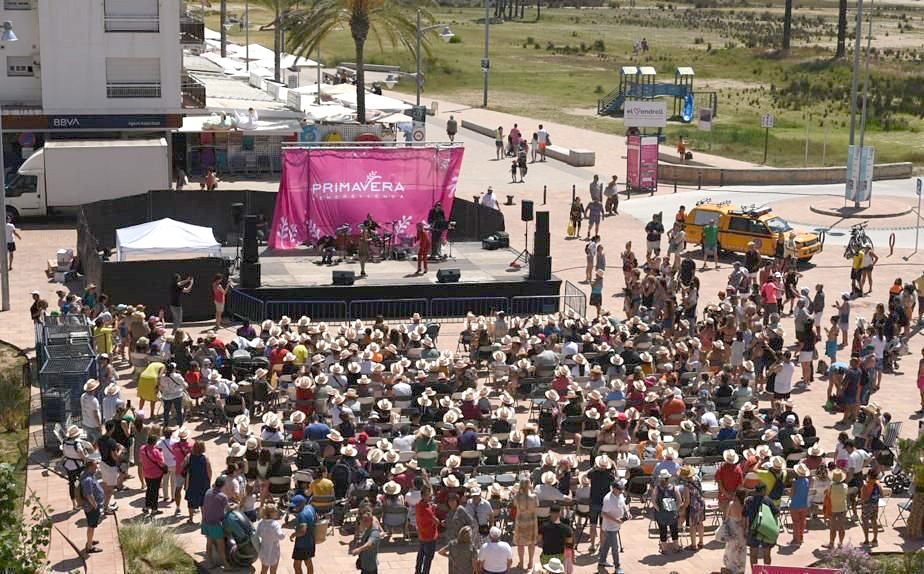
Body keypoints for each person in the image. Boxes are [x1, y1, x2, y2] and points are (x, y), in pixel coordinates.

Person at [744, 483, 778, 567]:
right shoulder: (768, 500)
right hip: (766, 529)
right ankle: (767, 571)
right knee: (766, 554)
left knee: (753, 555)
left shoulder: (749, 501)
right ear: (763, 491)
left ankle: (754, 572)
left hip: (753, 530)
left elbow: (744, 516)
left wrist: (745, 529)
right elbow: (776, 513)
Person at [599, 479, 628, 573]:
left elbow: (623, 504)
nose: (621, 491)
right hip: (609, 526)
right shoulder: (608, 499)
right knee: (615, 547)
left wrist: (627, 512)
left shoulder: (620, 495)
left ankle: (602, 561)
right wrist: (616, 520)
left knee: (607, 544)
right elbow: (604, 513)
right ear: (614, 489)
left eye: (622, 489)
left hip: (616, 525)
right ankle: (617, 567)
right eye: (619, 489)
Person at [79, 457, 105, 556]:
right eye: (95, 465)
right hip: (91, 507)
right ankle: (89, 546)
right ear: (90, 466)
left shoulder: (89, 475)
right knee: (91, 526)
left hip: (92, 506)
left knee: (92, 525)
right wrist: (95, 506)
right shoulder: (88, 480)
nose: (97, 466)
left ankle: (90, 540)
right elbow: (89, 495)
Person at [202, 476, 230, 568]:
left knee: (209, 543)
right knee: (221, 546)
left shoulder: (208, 492)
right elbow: (228, 509)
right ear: (223, 485)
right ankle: (226, 565)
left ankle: (209, 562)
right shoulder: (223, 497)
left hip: (206, 522)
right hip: (216, 524)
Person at [512, 476, 538, 570]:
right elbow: (536, 506)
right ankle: (530, 562)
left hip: (521, 521)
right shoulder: (534, 496)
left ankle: (521, 562)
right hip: (532, 521)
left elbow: (515, 505)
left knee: (520, 544)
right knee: (531, 543)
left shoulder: (517, 497)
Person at [139, 433, 167, 515]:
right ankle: (154, 509)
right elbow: (162, 463)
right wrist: (160, 452)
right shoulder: (156, 452)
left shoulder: (142, 449)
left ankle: (147, 507)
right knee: (155, 492)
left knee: (149, 490)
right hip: (156, 474)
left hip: (146, 473)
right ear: (154, 442)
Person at [538, 504, 572, 570]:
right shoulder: (566, 528)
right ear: (560, 513)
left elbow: (539, 542)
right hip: (560, 556)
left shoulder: (543, 526)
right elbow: (569, 544)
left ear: (550, 513)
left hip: (546, 555)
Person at [290, 494, 317, 574]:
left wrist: (293, 534)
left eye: (296, 506)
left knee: (296, 565)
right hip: (311, 541)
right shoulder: (311, 508)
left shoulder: (301, 514)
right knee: (308, 562)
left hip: (302, 544)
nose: (294, 508)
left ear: (301, 504)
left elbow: (302, 531)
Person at [350, 506, 382, 574]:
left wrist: (358, 549)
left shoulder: (374, 533)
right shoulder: (367, 529)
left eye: (365, 520)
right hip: (365, 564)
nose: (363, 522)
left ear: (371, 520)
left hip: (370, 567)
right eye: (363, 520)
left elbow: (369, 544)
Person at [722, 489, 748, 574]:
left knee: (731, 548)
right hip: (740, 529)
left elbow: (726, 517)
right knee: (740, 549)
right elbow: (744, 521)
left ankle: (730, 567)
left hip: (732, 528)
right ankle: (739, 569)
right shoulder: (744, 506)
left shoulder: (731, 504)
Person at [185, 440, 211, 522]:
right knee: (203, 501)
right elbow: (209, 471)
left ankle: (191, 518)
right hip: (203, 481)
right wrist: (209, 480)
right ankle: (203, 519)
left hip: (192, 481)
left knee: (191, 500)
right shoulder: (205, 458)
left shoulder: (189, 457)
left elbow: (183, 465)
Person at [415, 488, 439, 574]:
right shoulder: (427, 510)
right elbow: (436, 521)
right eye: (428, 494)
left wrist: (431, 506)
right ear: (423, 496)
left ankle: (417, 571)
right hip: (430, 537)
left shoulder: (418, 505)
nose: (430, 496)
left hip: (421, 535)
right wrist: (434, 509)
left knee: (420, 556)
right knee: (428, 558)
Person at [257, 505, 286, 574]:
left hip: (264, 549)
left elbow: (258, 534)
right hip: (274, 550)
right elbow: (281, 536)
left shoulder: (261, 523)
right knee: (273, 570)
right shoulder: (275, 524)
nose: (277, 512)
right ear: (272, 513)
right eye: (276, 511)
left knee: (264, 569)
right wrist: (284, 534)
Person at [159, 362, 188, 427]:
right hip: (177, 395)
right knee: (178, 410)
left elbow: (162, 385)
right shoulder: (178, 376)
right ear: (174, 369)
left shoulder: (163, 377)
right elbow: (184, 384)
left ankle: (166, 424)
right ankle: (180, 424)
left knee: (166, 411)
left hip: (167, 396)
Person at [790, 463, 811, 544]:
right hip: (804, 504)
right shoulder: (807, 481)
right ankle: (801, 537)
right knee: (802, 521)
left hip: (795, 505)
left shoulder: (795, 482)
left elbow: (792, 493)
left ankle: (796, 539)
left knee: (796, 523)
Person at [827, 468, 848, 548]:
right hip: (842, 508)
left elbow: (828, 495)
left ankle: (831, 543)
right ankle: (840, 543)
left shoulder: (831, 487)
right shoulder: (845, 486)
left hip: (833, 508)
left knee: (833, 527)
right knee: (841, 527)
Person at [860, 469, 882, 547]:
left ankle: (866, 540)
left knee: (865, 523)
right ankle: (875, 539)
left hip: (867, 506)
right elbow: (881, 495)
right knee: (874, 522)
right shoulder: (878, 485)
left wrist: (860, 501)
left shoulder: (865, 486)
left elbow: (864, 498)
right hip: (875, 505)